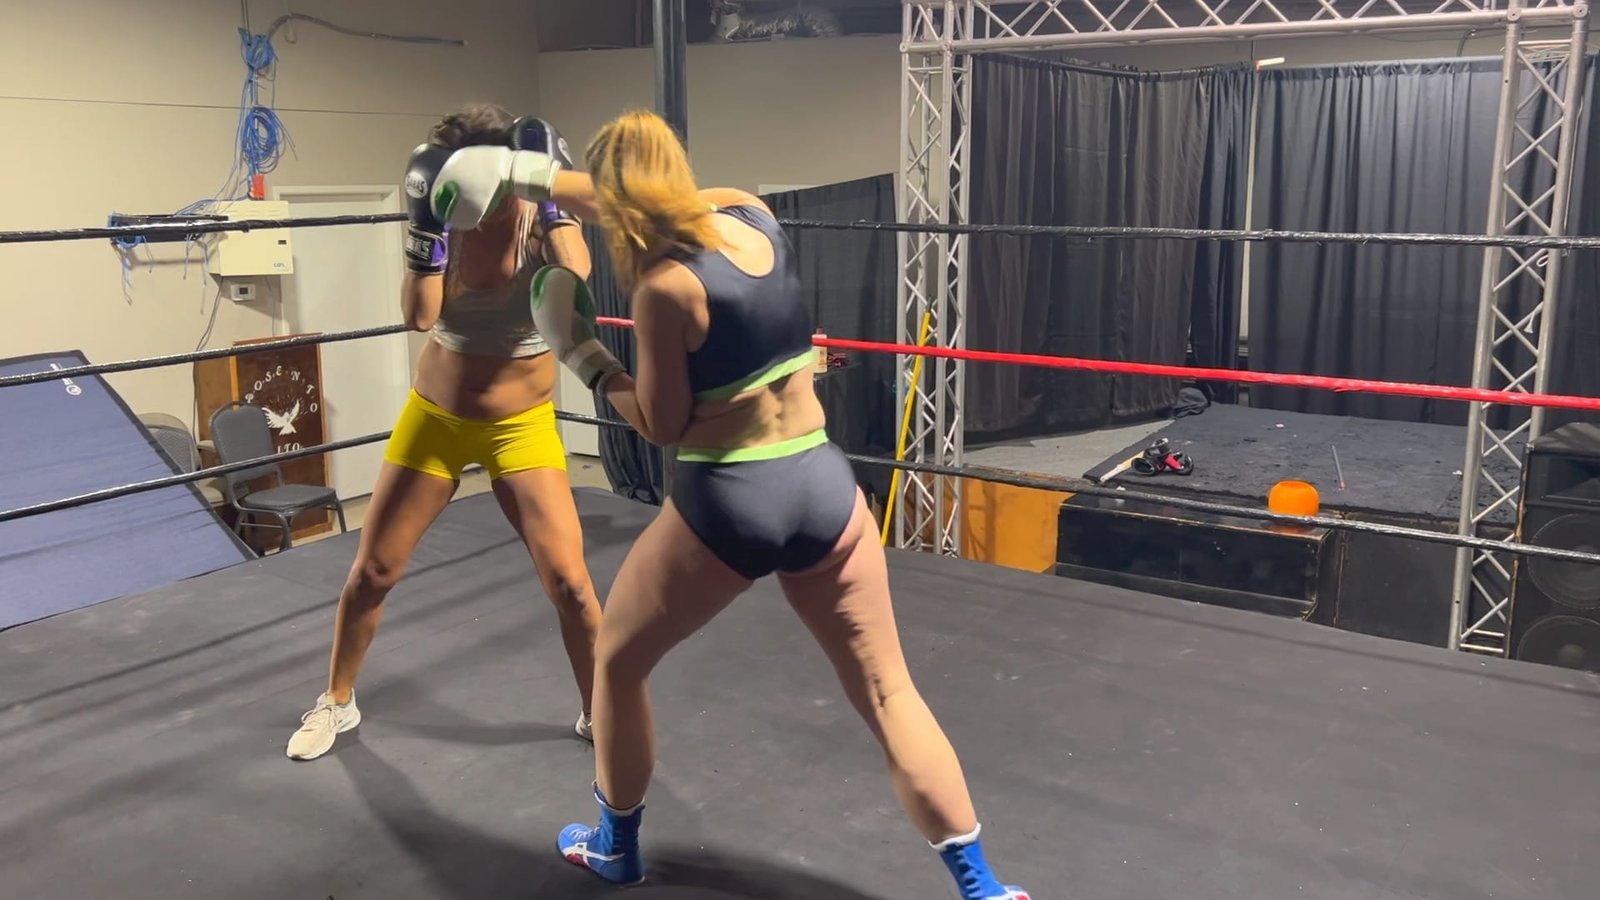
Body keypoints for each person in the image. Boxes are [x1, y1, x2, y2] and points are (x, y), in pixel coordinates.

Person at [428, 111, 1030, 900]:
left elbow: (663, 424)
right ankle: (984, 889)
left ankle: (615, 847)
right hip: (821, 484)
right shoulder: (752, 213)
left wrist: (584, 354)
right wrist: (527, 174)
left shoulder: (664, 288)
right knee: (890, 690)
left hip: (730, 500)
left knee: (617, 663)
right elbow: (628, 197)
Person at [284, 104, 605, 761]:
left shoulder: (535, 211)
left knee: (571, 584)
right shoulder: (443, 211)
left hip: (521, 427)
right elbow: (420, 316)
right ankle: (337, 701)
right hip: (437, 419)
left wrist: (548, 202)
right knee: (373, 571)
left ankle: (601, 711)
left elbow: (576, 274)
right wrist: (425, 230)